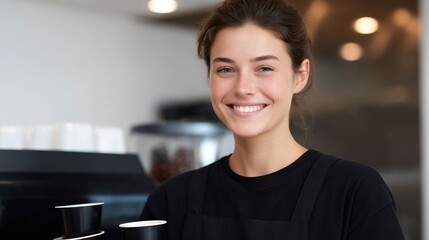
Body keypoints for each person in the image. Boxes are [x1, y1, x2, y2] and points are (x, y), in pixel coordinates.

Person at [140, 0, 406, 239]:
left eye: (264, 68)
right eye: (226, 69)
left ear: (299, 76)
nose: (243, 87)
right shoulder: (170, 201)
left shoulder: (354, 191)